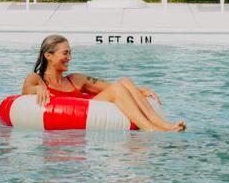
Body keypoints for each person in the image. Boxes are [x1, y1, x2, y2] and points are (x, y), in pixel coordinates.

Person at [21, 35, 186, 132]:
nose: (69, 58)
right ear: (48, 56)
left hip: (88, 111)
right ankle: (150, 129)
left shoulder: (75, 79)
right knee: (118, 88)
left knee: (124, 81)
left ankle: (160, 124)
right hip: (75, 116)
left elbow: (114, 86)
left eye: (70, 53)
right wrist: (38, 89)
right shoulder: (37, 79)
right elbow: (27, 89)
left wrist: (142, 90)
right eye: (65, 53)